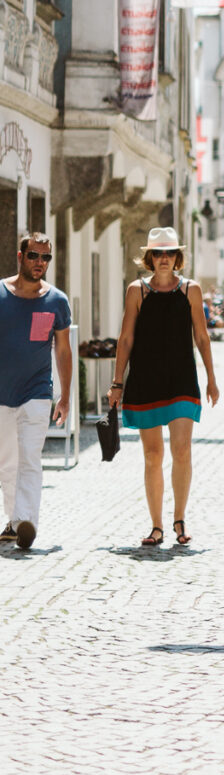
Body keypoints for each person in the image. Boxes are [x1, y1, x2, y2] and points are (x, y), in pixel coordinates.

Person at [110, 227, 220, 548]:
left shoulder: (191, 290)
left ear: (177, 257)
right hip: (145, 380)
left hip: (182, 379)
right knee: (152, 454)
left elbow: (201, 336)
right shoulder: (136, 291)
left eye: (169, 253)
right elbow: (126, 338)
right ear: (149, 257)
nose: (163, 259)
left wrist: (211, 378)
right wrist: (117, 382)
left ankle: (180, 518)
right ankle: (156, 525)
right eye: (158, 253)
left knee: (182, 450)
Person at [0, 232, 72, 551]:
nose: (40, 262)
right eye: (34, 256)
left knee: (30, 456)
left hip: (37, 391)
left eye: (46, 257)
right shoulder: (0, 293)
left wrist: (66, 395)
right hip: (1, 393)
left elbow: (64, 351)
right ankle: (14, 522)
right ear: (20, 256)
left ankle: (26, 520)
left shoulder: (57, 300)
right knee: (7, 461)